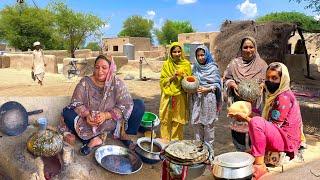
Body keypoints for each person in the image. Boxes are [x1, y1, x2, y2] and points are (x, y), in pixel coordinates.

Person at [228, 62, 303, 179]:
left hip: (287, 141)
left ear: (283, 79)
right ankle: (258, 155)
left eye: (274, 78)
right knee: (255, 118)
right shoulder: (275, 95)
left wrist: (247, 118)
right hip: (281, 136)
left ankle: (260, 165)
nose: (270, 81)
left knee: (255, 122)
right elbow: (267, 121)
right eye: (267, 78)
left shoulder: (284, 97)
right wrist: (249, 112)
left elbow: (271, 125)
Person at [61, 55, 145, 155]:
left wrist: (106, 115)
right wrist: (87, 115)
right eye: (97, 67)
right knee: (67, 113)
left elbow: (125, 103)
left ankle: (123, 134)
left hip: (111, 120)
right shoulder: (84, 82)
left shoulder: (116, 83)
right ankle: (94, 138)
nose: (100, 71)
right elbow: (76, 103)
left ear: (110, 69)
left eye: (104, 68)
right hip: (90, 122)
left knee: (139, 105)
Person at [223, 36, 268, 151]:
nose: (248, 50)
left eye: (251, 47)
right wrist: (233, 85)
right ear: (241, 49)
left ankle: (256, 154)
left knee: (255, 129)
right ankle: (241, 153)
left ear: (255, 48)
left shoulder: (262, 65)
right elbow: (226, 78)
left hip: (255, 104)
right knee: (239, 131)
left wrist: (263, 85)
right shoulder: (234, 64)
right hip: (239, 102)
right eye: (245, 47)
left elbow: (267, 80)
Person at [189, 45, 221, 152]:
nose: (200, 57)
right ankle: (199, 150)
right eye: (198, 55)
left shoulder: (213, 68)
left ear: (207, 55)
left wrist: (207, 89)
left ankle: (208, 151)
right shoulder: (195, 68)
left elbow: (217, 85)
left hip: (209, 99)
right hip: (197, 100)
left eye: (202, 55)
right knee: (197, 124)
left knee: (208, 125)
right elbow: (192, 82)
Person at [159, 42, 191, 141]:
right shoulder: (166, 65)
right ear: (171, 53)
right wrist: (172, 78)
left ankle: (176, 142)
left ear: (182, 52)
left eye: (179, 51)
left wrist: (183, 76)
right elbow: (162, 81)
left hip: (180, 96)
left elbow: (189, 81)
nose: (177, 54)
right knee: (165, 119)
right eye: (174, 52)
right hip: (167, 96)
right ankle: (165, 142)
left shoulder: (186, 64)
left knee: (178, 120)